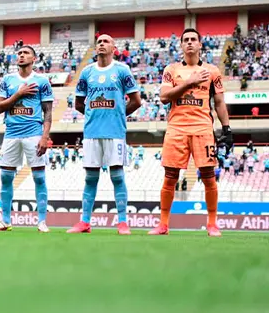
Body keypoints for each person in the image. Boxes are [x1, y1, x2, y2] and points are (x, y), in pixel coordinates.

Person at [150, 28, 232, 236]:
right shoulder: (171, 69)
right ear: (181, 45)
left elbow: (219, 102)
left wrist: (227, 128)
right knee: (170, 177)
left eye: (193, 39)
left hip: (203, 128)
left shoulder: (212, 71)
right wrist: (189, 83)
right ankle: (163, 224)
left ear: (200, 44)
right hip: (176, 128)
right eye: (185, 39)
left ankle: (212, 224)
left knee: (208, 176)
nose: (189, 42)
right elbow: (164, 97)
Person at [67, 34, 141, 235]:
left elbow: (136, 101)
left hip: (115, 132)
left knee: (117, 176)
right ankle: (84, 222)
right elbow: (79, 103)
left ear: (114, 48)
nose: (101, 44)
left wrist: (118, 114)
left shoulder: (122, 70)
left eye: (106, 41)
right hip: (92, 132)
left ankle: (123, 222)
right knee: (90, 178)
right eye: (99, 42)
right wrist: (95, 114)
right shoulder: (87, 72)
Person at [0, 45, 54, 232]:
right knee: (5, 177)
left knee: (39, 177)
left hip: (34, 133)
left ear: (34, 59)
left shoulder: (42, 81)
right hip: (11, 133)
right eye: (19, 53)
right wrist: (19, 94)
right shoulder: (7, 80)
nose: (21, 55)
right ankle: (5, 221)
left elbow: (48, 112)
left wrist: (45, 137)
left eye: (26, 53)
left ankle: (42, 222)